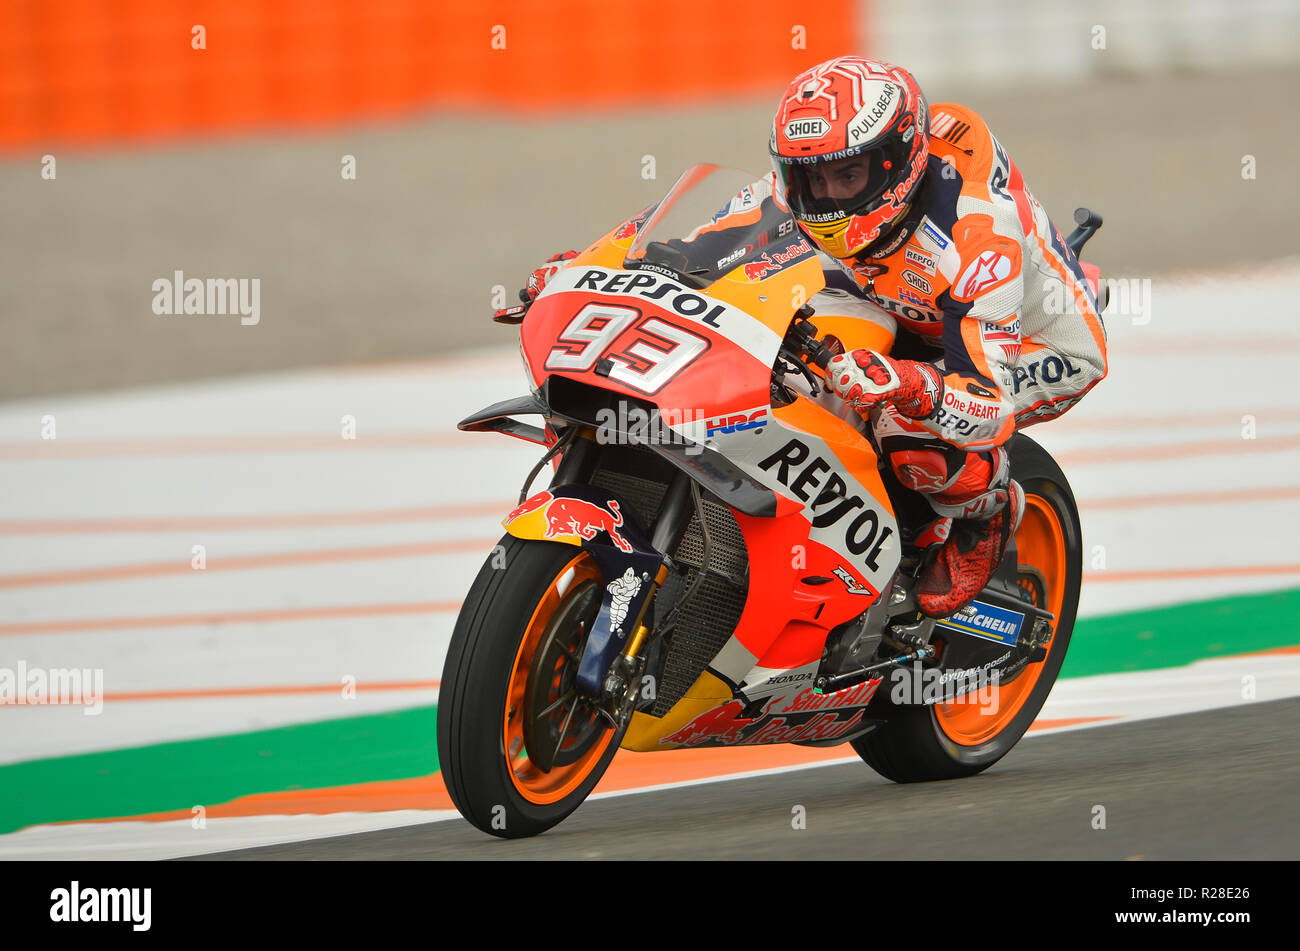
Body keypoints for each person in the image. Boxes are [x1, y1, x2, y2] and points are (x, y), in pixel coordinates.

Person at [518, 54, 1108, 619]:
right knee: (784, 367)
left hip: (1028, 344)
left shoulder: (979, 235)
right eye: (809, 176)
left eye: (845, 174)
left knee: (906, 429)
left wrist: (908, 382)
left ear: (894, 161)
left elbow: (986, 401)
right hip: (892, 297)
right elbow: (698, 248)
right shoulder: (801, 194)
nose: (824, 196)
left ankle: (987, 508)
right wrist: (601, 276)